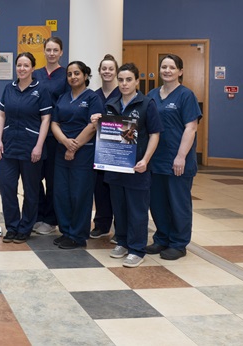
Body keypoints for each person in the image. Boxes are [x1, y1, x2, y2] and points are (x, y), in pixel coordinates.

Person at [92, 63, 163, 268]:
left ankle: (137, 249)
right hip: (115, 166)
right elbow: (108, 134)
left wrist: (145, 160)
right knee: (120, 208)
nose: (124, 84)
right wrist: (97, 122)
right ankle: (122, 242)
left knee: (137, 210)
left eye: (128, 80)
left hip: (137, 168)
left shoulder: (146, 104)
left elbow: (155, 134)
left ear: (136, 82)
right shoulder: (112, 104)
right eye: (121, 80)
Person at [147, 54, 202, 260]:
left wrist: (180, 157)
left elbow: (191, 127)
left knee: (178, 203)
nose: (167, 70)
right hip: (156, 160)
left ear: (180, 71)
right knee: (158, 202)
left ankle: (179, 243)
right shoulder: (152, 94)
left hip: (178, 160)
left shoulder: (186, 95)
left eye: (171, 67)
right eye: (163, 67)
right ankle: (162, 239)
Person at [0, 52, 52, 243]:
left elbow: (46, 119)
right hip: (9, 147)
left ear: (33, 68)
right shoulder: (9, 88)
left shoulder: (41, 89)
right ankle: (12, 226)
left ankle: (25, 227)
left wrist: (39, 146)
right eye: (19, 65)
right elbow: (1, 115)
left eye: (26, 65)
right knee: (7, 187)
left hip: (31, 149)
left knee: (31, 190)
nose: (21, 68)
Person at [50, 61, 103, 249]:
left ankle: (78, 235)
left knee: (80, 194)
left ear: (86, 76)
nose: (73, 77)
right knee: (61, 193)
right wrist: (65, 143)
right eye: (70, 74)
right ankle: (66, 231)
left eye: (77, 73)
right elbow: (54, 123)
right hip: (62, 150)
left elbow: (93, 126)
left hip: (84, 152)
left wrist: (73, 148)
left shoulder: (93, 98)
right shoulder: (63, 98)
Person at [33, 37, 70, 235]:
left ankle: (50, 218)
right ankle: (36, 215)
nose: (52, 53)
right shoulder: (36, 74)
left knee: (53, 178)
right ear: (44, 51)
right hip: (36, 132)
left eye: (56, 49)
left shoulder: (66, 76)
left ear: (61, 52)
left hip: (56, 134)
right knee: (34, 177)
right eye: (48, 49)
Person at [90, 54, 121, 241]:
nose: (107, 71)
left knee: (117, 190)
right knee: (99, 189)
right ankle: (101, 224)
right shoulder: (94, 96)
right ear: (99, 72)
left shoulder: (123, 93)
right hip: (98, 150)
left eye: (111, 68)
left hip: (119, 151)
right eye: (104, 69)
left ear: (115, 71)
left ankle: (121, 228)